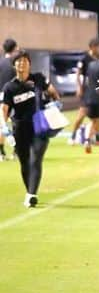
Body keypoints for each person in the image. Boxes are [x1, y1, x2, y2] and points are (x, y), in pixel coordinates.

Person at [1, 51, 61, 207]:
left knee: (36, 159)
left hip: (40, 127)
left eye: (25, 61)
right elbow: (4, 111)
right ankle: (30, 190)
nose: (22, 64)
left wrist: (55, 105)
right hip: (20, 129)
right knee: (25, 163)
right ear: (14, 65)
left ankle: (31, 194)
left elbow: (54, 94)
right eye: (19, 61)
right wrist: (6, 131)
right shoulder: (9, 87)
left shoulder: (39, 79)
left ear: (29, 63)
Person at [68, 37, 99, 146]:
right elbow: (78, 73)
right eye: (98, 46)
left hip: (96, 91)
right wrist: (79, 87)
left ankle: (97, 138)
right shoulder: (85, 59)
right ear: (92, 47)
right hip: (87, 91)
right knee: (82, 114)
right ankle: (72, 137)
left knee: (97, 115)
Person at [0, 38, 17, 162]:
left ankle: (1, 153)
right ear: (15, 48)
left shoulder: (0, 62)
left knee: (2, 124)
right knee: (17, 123)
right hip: (13, 96)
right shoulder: (15, 63)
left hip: (1, 96)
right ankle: (16, 152)